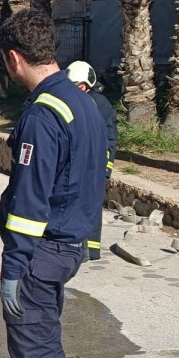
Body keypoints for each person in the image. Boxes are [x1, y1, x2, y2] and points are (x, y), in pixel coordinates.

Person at [0, 11, 107, 358]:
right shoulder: (85, 104)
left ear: (14, 57)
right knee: (46, 339)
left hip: (40, 254)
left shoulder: (43, 115)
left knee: (32, 350)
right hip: (68, 246)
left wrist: (14, 266)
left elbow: (28, 201)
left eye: (4, 62)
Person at [66, 60, 118, 261]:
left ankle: (91, 249)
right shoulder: (70, 101)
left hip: (94, 164)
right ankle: (75, 246)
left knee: (91, 205)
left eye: (77, 86)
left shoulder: (101, 104)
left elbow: (110, 139)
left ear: (86, 85)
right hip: (75, 163)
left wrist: (106, 168)